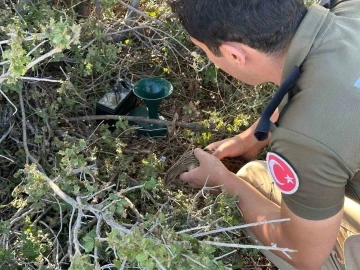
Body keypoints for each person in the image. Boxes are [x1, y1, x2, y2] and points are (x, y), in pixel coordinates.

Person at [170, 0, 360, 269]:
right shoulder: (350, 8)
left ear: (234, 54)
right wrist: (252, 136)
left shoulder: (304, 141)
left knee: (254, 179)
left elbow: (304, 255)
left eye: (204, 52)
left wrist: (223, 182)